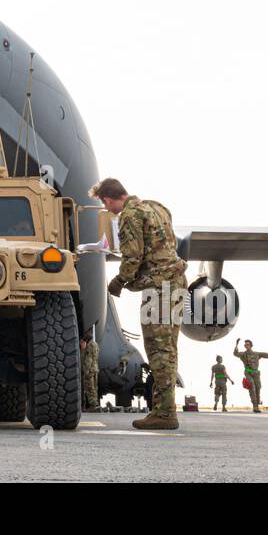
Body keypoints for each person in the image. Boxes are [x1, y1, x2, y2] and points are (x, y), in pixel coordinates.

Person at [93, 177, 187, 431]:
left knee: (158, 350)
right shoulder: (157, 207)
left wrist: (119, 281)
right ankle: (164, 408)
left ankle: (165, 413)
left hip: (157, 289)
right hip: (177, 283)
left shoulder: (129, 215)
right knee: (169, 348)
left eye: (105, 204)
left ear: (109, 199)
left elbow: (133, 255)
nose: (107, 209)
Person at [233, 338, 268, 412]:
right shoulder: (243, 354)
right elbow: (235, 353)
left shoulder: (256, 354)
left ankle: (257, 405)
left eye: (247, 344)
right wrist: (236, 344)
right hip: (248, 373)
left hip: (256, 373)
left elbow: (267, 354)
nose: (246, 346)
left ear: (251, 345)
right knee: (252, 387)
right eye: (245, 345)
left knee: (258, 388)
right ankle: (255, 406)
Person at [80, 328, 101, 412]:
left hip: (89, 369)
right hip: (94, 368)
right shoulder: (95, 344)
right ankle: (94, 404)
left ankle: (93, 405)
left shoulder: (90, 345)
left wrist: (86, 370)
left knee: (89, 387)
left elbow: (88, 359)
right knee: (94, 388)